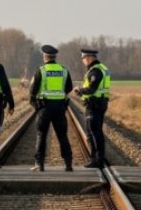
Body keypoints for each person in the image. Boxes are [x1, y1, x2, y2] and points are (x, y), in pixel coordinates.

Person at [29, 44, 73, 172]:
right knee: (62, 135)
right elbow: (69, 87)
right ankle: (68, 164)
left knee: (41, 135)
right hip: (59, 107)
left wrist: (36, 105)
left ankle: (40, 164)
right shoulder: (64, 70)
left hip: (44, 108)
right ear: (54, 57)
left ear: (45, 56)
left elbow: (33, 90)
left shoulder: (41, 70)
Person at [73, 48, 110, 168]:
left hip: (94, 104)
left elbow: (92, 89)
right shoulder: (102, 68)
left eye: (83, 58)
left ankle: (97, 160)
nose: (83, 61)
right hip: (100, 102)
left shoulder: (95, 71)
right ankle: (98, 158)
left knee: (93, 132)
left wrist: (79, 90)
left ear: (89, 58)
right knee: (96, 131)